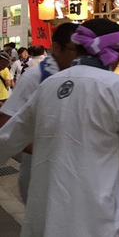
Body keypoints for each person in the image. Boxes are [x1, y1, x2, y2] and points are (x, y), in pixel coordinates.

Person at [0, 18, 119, 236]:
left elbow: (8, 137)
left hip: (46, 203)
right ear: (117, 52)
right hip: (94, 206)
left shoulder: (48, 84)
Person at [0, 22, 79, 203]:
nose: (80, 57)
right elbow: (6, 124)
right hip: (41, 170)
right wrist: (49, 149)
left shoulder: (81, 75)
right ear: (56, 48)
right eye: (75, 50)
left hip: (75, 172)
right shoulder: (36, 76)